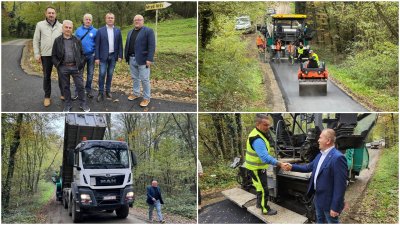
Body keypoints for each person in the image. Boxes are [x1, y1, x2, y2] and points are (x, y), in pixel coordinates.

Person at [284, 129, 348, 224]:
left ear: (328, 141)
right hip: (317, 198)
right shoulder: (320, 155)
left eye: (320, 138)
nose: (318, 140)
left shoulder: (338, 158)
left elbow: (340, 186)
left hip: (329, 203)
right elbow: (307, 167)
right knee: (319, 220)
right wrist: (291, 167)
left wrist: (335, 207)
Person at [244, 113, 291, 215]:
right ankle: (265, 209)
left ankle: (259, 204)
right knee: (263, 189)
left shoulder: (259, 133)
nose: (268, 127)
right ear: (258, 124)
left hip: (257, 167)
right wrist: (280, 164)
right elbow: (265, 157)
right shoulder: (257, 139)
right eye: (265, 125)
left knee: (259, 187)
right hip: (256, 168)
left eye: (268, 125)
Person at [52, 20, 90, 112]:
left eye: (70, 28)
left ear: (72, 29)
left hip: (75, 67)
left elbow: (82, 54)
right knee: (65, 87)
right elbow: (53, 55)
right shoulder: (57, 41)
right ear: (63, 28)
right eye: (66, 27)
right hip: (63, 67)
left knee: (80, 86)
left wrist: (80, 64)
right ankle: (68, 105)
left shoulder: (76, 40)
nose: (68, 29)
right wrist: (58, 66)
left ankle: (83, 104)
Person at [33, 6, 63, 107]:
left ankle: (63, 93)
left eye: (53, 13)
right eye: (49, 13)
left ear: (56, 14)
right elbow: (36, 40)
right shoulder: (40, 25)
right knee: (46, 77)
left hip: (59, 56)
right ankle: (47, 97)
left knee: (62, 76)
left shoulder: (61, 26)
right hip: (45, 55)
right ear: (46, 14)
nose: (51, 15)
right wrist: (37, 53)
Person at [125, 15, 156, 107]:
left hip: (143, 60)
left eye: (139, 20)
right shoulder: (130, 32)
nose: (137, 21)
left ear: (143, 21)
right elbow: (127, 45)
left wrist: (150, 59)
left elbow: (151, 46)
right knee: (135, 78)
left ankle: (146, 98)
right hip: (131, 58)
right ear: (133, 21)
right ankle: (136, 93)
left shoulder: (148, 31)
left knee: (145, 79)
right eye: (135, 20)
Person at [95, 13, 123, 102]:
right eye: (109, 18)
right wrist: (97, 57)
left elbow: (120, 44)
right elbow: (97, 45)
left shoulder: (118, 31)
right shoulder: (100, 30)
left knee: (110, 74)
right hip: (103, 57)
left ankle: (108, 91)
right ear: (105, 19)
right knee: (102, 74)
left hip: (113, 56)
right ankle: (100, 92)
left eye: (112, 18)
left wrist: (120, 55)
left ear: (114, 19)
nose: (110, 19)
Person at [74, 13, 97, 99]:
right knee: (79, 74)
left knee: (90, 74)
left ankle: (88, 90)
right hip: (80, 56)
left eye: (89, 19)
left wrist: (95, 53)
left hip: (91, 56)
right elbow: (74, 42)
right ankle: (77, 91)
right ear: (83, 20)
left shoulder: (95, 31)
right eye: (86, 19)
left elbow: (97, 44)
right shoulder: (78, 30)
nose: (88, 21)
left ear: (91, 21)